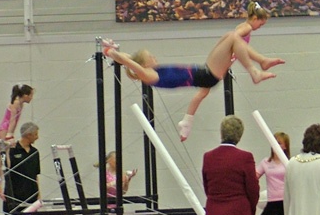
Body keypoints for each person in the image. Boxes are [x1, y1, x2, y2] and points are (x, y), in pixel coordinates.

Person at [102, 31, 280, 141]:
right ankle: (256, 70)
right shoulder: (149, 75)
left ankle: (259, 61)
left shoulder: (150, 71)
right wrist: (110, 52)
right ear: (145, 64)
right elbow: (128, 61)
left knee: (231, 37)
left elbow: (129, 59)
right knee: (233, 37)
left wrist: (112, 48)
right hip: (206, 74)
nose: (155, 58)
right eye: (151, 57)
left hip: (205, 75)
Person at [177, 2, 284, 139]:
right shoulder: (245, 28)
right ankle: (259, 66)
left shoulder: (243, 28)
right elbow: (233, 40)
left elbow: (239, 49)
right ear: (255, 19)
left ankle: (186, 122)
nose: (260, 27)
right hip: (214, 67)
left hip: (215, 69)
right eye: (261, 24)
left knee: (202, 92)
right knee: (203, 91)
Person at [3, 122, 43, 215]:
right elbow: (5, 169)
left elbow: (36, 175)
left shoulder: (35, 152)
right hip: (13, 196)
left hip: (31, 196)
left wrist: (39, 195)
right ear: (28, 134)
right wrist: (6, 150)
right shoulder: (13, 150)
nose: (37, 137)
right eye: (36, 134)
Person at [0, 85, 34, 198]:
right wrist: (9, 135)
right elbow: (12, 121)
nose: (32, 98)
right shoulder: (16, 103)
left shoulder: (21, 103)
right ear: (25, 95)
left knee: (4, 158)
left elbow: (15, 122)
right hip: (4, 130)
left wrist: (11, 134)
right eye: (31, 95)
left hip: (6, 130)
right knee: (0, 158)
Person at [252, 131, 290, 215]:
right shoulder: (266, 162)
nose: (276, 146)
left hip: (286, 203)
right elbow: (254, 176)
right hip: (273, 202)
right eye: (274, 143)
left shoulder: (289, 163)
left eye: (279, 143)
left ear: (285, 146)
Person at [96, 151, 137, 215]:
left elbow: (123, 192)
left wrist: (127, 181)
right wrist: (115, 182)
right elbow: (102, 188)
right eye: (115, 160)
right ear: (110, 161)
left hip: (116, 206)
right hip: (106, 206)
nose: (118, 162)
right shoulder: (104, 173)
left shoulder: (121, 174)